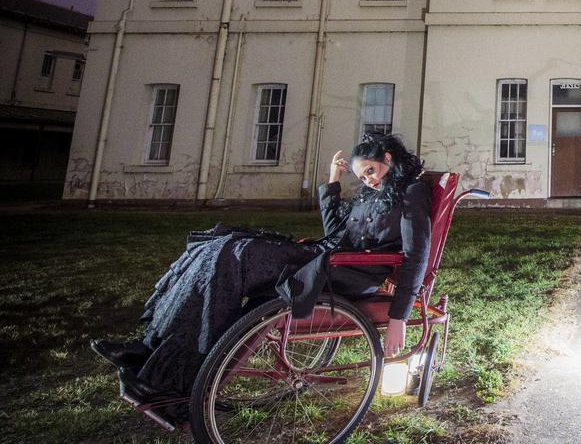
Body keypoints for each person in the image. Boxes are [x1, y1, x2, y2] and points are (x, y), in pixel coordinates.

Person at [90, 132, 431, 415]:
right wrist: (333, 180)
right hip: (326, 254)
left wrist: (399, 317)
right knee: (217, 247)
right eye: (362, 177)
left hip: (347, 272)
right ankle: (150, 349)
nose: (368, 181)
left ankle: (171, 377)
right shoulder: (376, 194)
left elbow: (416, 255)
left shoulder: (412, 193)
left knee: (233, 255)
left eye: (370, 171)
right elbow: (335, 232)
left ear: (388, 158)